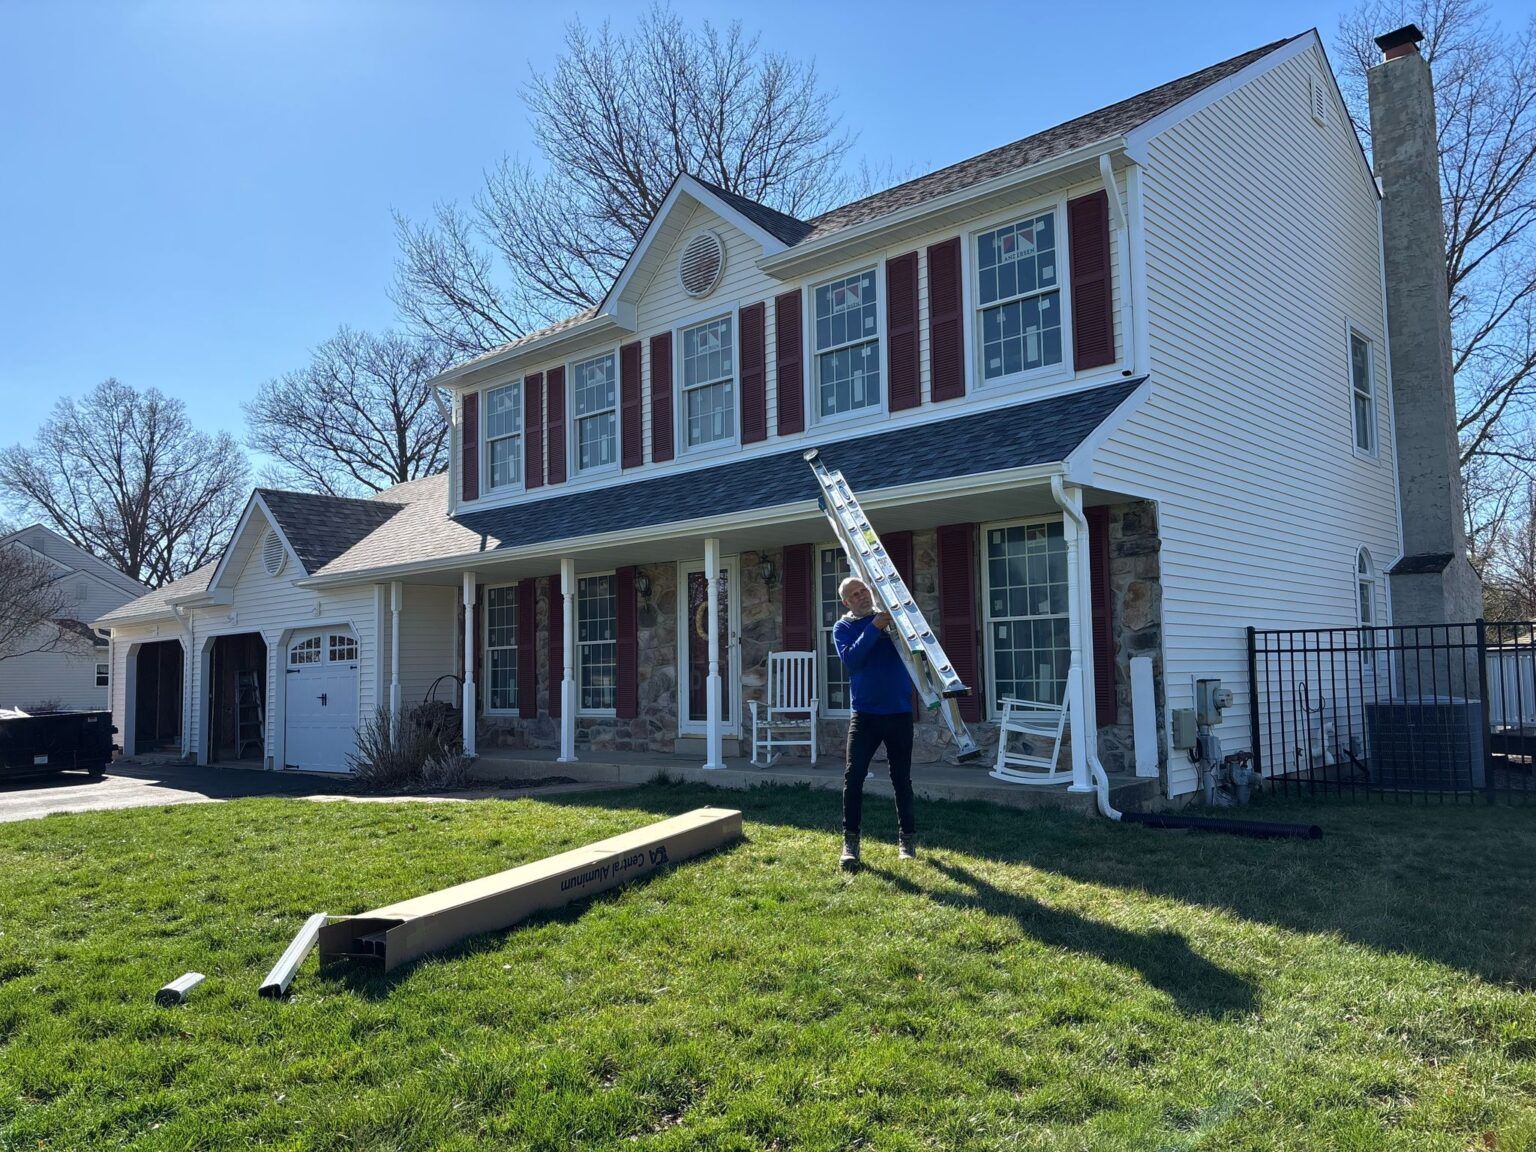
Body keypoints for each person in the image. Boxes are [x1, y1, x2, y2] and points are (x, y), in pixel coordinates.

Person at [832, 575, 917, 870]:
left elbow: (917, 647)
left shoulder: (892, 620)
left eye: (864, 590)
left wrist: (890, 623)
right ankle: (851, 843)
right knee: (853, 778)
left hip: (899, 712)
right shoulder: (843, 627)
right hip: (865, 715)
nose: (862, 596)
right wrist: (873, 628)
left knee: (901, 780)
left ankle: (907, 839)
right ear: (846, 602)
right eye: (855, 595)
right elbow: (852, 661)